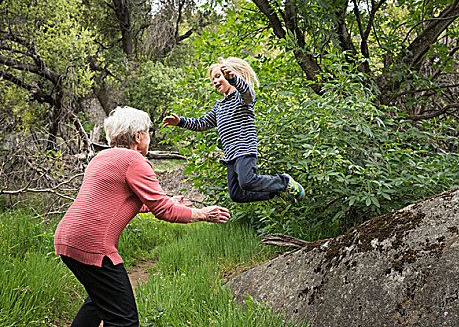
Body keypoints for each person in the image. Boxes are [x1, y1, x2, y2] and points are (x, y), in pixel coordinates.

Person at [54, 106, 230, 327]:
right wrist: (202, 214)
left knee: (99, 300)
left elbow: (121, 203)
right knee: (124, 320)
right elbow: (163, 210)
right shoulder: (134, 161)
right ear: (138, 137)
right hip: (93, 245)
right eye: (148, 132)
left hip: (66, 239)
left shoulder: (101, 158)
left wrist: (171, 201)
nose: (149, 137)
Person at [162, 56, 305, 204]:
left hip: (244, 148)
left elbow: (248, 93)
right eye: (213, 80)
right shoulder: (220, 106)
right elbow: (202, 123)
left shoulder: (241, 97)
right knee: (237, 195)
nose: (216, 81)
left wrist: (234, 79)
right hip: (231, 156)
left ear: (231, 74)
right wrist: (180, 122)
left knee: (247, 181)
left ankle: (284, 181)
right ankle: (276, 191)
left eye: (218, 76)